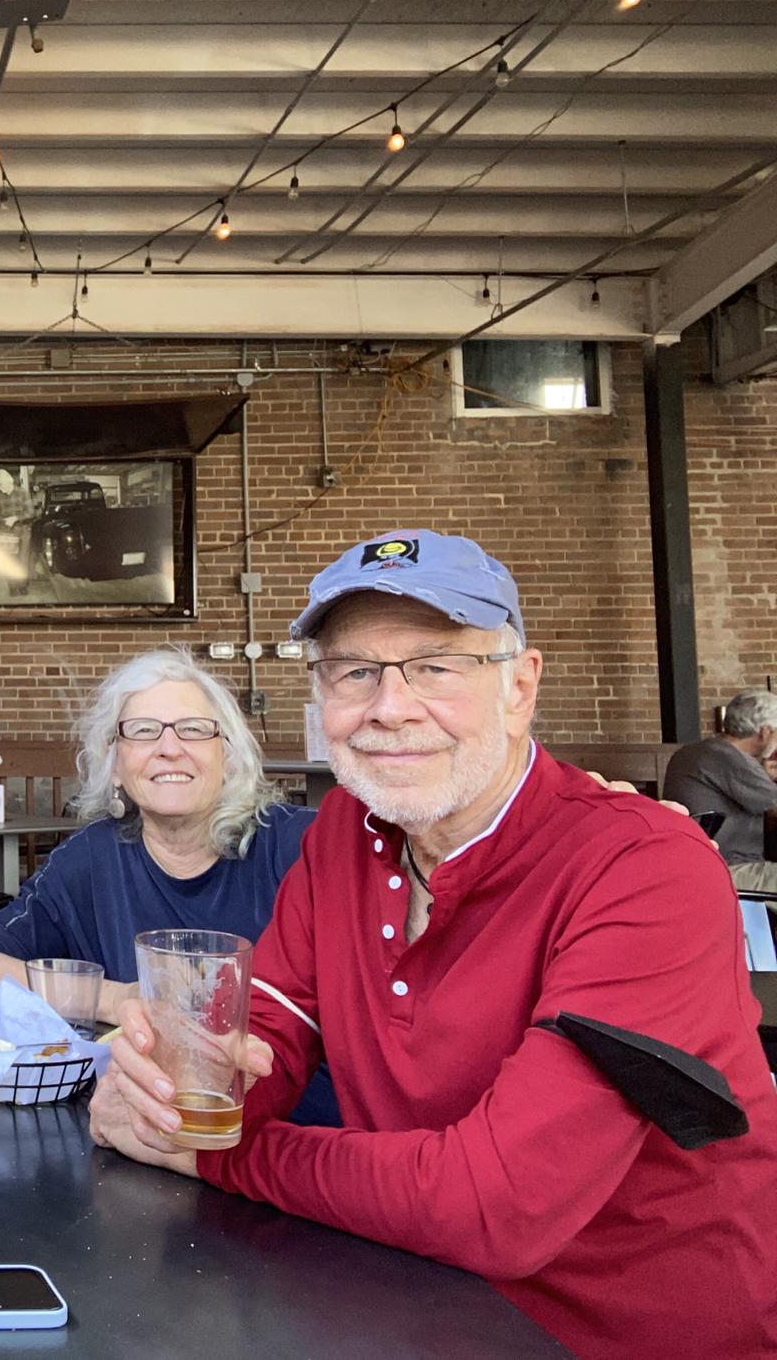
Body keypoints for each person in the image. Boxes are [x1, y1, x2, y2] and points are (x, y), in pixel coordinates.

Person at [91, 530, 777, 1358]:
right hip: (411, 1302)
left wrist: (216, 1159)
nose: (390, 706)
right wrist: (171, 1097)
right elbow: (262, 1038)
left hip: (626, 1337)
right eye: (354, 671)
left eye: (436, 666)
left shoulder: (644, 867)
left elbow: (496, 1207)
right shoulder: (345, 829)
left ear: (521, 685)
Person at [0, 647, 337, 1125]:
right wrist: (117, 999)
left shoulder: (301, 846)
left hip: (303, 1138)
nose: (169, 747)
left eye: (193, 729)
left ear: (229, 755)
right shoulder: (90, 861)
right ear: (114, 764)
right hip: (147, 1131)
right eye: (142, 731)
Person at [664, 689, 777, 890]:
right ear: (765, 732)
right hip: (728, 868)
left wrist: (765, 775)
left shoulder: (695, 751)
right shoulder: (731, 758)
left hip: (695, 863)